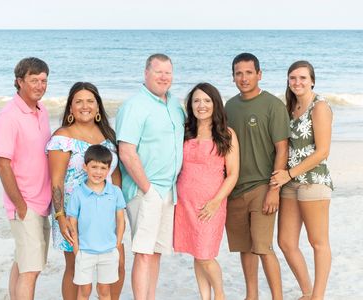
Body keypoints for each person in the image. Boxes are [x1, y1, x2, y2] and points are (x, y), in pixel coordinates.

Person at [115, 53, 185, 300]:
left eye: (168, 72)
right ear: (146, 73)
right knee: (143, 253)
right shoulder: (134, 106)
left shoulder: (175, 104)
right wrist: (148, 189)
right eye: (158, 72)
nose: (164, 77)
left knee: (155, 252)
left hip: (169, 191)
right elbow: (126, 151)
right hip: (145, 191)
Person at [46, 82, 125, 300]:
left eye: (90, 101)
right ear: (70, 108)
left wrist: (118, 209)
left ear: (98, 107)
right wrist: (60, 217)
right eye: (78, 101)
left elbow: (115, 174)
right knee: (76, 268)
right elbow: (56, 181)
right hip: (73, 213)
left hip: (106, 212)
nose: (85, 106)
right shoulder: (63, 137)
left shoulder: (108, 136)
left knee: (117, 264)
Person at [224, 53, 290, 300]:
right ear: (233, 77)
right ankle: (251, 295)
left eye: (249, 72)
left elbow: (282, 148)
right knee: (245, 247)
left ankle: (277, 297)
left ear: (259, 74)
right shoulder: (228, 107)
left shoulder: (273, 105)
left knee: (263, 247)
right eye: (238, 73)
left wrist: (274, 190)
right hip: (235, 189)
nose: (244, 77)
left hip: (263, 186)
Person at [270, 61, 333, 300]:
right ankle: (307, 291)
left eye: (302, 78)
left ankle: (317, 296)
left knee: (318, 242)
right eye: (293, 78)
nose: (297, 82)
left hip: (313, 180)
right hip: (290, 183)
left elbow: (323, 151)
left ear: (312, 80)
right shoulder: (290, 107)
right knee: (286, 242)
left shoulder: (320, 107)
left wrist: (289, 173)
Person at [173, 83, 239, 300]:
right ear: (190, 105)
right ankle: (205, 297)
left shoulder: (226, 134)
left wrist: (215, 202)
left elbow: (232, 174)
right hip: (184, 203)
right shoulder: (184, 131)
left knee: (205, 254)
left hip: (211, 204)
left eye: (207, 100)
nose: (201, 105)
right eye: (196, 101)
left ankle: (220, 295)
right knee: (196, 252)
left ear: (215, 104)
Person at [0, 57, 51, 300]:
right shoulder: (9, 115)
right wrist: (20, 205)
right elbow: (2, 163)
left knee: (23, 263)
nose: (40, 85)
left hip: (42, 202)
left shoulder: (42, 111)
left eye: (44, 80)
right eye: (34, 80)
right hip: (25, 203)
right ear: (19, 82)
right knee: (31, 269)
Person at [66, 145, 126, 300]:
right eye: (94, 167)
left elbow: (120, 219)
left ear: (108, 170)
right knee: (84, 291)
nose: (98, 172)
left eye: (102, 168)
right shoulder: (78, 193)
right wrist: (77, 249)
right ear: (85, 167)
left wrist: (117, 243)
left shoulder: (115, 192)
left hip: (108, 251)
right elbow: (72, 222)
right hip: (85, 252)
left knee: (104, 291)